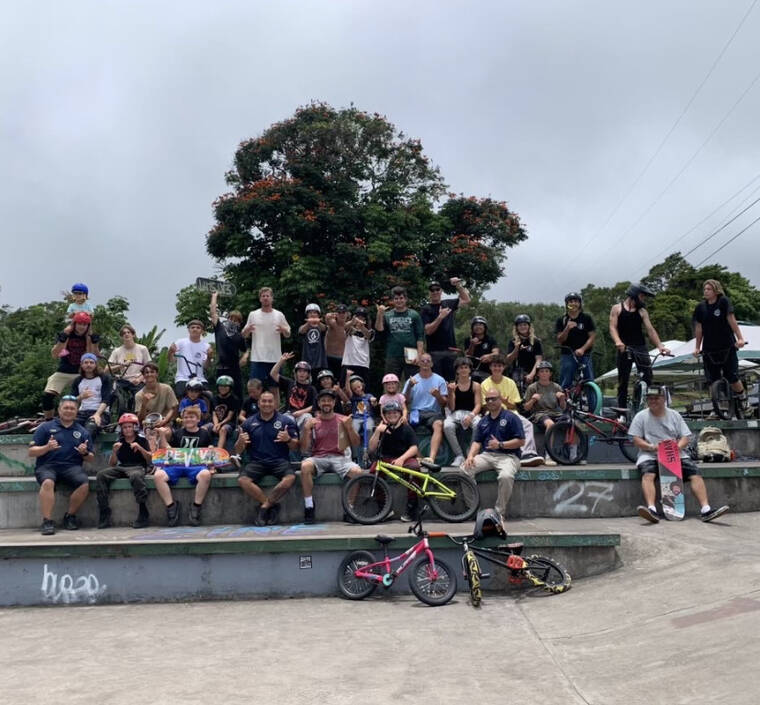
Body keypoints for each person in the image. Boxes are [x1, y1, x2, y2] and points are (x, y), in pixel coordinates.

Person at [631, 387, 728, 523]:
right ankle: (652, 509)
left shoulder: (674, 415)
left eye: (656, 398)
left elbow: (685, 437)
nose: (652, 401)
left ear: (664, 399)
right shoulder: (641, 416)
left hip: (674, 454)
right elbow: (636, 439)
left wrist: (676, 448)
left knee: (694, 473)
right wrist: (651, 447)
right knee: (648, 474)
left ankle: (706, 509)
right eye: (650, 398)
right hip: (650, 453)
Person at [28, 396, 93, 535]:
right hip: (47, 466)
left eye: (72, 408)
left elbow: (91, 458)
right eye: (66, 408)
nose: (69, 411)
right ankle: (47, 521)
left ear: (76, 411)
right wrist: (47, 447)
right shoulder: (45, 427)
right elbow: (31, 452)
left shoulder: (82, 431)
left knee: (84, 484)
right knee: (47, 482)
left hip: (71, 467)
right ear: (59, 410)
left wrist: (84, 452)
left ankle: (70, 516)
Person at [235, 390, 299, 526]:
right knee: (242, 480)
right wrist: (240, 441)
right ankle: (270, 505)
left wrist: (288, 439)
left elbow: (295, 447)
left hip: (279, 461)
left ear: (275, 403)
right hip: (256, 462)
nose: (267, 404)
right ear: (258, 403)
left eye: (270, 401)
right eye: (264, 401)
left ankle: (264, 508)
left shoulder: (286, 421)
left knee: (290, 478)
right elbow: (238, 450)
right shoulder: (248, 423)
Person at [462, 389, 525, 527]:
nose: (490, 401)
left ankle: (499, 513)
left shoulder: (511, 417)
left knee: (506, 476)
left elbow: (521, 441)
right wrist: (470, 456)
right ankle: (474, 510)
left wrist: (501, 444)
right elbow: (477, 442)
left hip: (509, 456)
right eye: (488, 399)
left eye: (494, 398)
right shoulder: (483, 421)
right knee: (464, 469)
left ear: (500, 400)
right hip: (487, 455)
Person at [299, 389, 363, 524]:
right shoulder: (313, 422)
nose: (326, 403)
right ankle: (309, 506)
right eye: (323, 401)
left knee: (357, 472)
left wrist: (350, 428)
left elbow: (356, 443)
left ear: (334, 403)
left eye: (329, 400)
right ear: (319, 403)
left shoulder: (343, 419)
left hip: (340, 458)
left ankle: (349, 509)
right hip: (319, 458)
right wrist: (306, 429)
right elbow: (304, 448)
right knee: (305, 466)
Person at [609, 282, 669, 414]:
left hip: (640, 346)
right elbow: (612, 327)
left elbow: (650, 330)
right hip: (624, 347)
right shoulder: (617, 308)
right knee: (623, 381)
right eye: (642, 296)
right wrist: (618, 342)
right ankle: (621, 414)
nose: (643, 299)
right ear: (634, 295)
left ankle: (650, 408)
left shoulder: (642, 311)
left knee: (648, 377)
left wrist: (660, 346)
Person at [153, 406, 215, 527]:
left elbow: (210, 451)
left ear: (198, 419)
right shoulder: (178, 433)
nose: (188, 419)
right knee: (158, 476)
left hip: (196, 465)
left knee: (206, 474)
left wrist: (212, 466)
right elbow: (168, 450)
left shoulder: (204, 434)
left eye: (192, 417)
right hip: (177, 465)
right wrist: (162, 436)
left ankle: (196, 507)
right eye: (186, 417)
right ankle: (171, 506)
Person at [693, 279, 748, 411]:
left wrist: (740, 338)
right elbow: (699, 328)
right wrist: (697, 347)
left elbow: (731, 320)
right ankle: (717, 407)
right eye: (705, 289)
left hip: (726, 346)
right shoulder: (700, 307)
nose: (706, 291)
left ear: (716, 291)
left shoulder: (723, 301)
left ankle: (743, 400)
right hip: (709, 348)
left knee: (732, 376)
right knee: (712, 380)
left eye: (709, 289)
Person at [481, 355, 544, 466]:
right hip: (492, 413)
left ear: (503, 367)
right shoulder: (485, 384)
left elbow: (515, 406)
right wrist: (497, 404)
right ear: (490, 367)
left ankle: (528, 454)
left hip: (510, 413)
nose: (497, 368)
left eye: (499, 366)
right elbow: (485, 406)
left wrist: (504, 402)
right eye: (494, 366)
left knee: (527, 424)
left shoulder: (510, 382)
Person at [95, 413, 152, 529]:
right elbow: (112, 464)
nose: (127, 429)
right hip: (122, 467)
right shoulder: (119, 441)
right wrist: (114, 451)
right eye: (124, 427)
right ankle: (104, 512)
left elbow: (150, 459)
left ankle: (143, 512)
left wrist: (140, 448)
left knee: (136, 476)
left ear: (135, 427)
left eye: (130, 426)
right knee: (101, 475)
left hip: (137, 466)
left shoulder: (141, 440)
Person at [367, 399, 421, 522]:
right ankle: (384, 509)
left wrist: (401, 459)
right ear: (385, 415)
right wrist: (377, 431)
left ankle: (412, 508)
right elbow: (371, 448)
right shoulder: (382, 428)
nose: (392, 415)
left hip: (405, 457)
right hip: (386, 458)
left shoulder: (406, 428)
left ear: (400, 414)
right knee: (374, 473)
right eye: (389, 413)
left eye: (395, 413)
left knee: (414, 469)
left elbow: (414, 448)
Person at [42, 311, 100, 420]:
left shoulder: (89, 336)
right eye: (80, 324)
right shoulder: (67, 334)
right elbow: (54, 354)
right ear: (75, 324)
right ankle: (48, 421)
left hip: (81, 373)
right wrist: (62, 340)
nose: (82, 327)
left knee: (86, 397)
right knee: (47, 396)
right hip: (64, 370)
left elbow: (92, 357)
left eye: (84, 324)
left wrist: (94, 343)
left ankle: (85, 419)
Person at [420, 277, 471, 381]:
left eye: (437, 289)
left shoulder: (448, 304)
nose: (435, 292)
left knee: (451, 382)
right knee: (436, 382)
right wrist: (440, 317)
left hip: (451, 351)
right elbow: (428, 331)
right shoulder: (425, 309)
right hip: (434, 352)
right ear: (429, 293)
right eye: (432, 290)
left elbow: (466, 300)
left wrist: (458, 285)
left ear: (441, 291)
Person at [403, 352, 448, 464]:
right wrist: (409, 387)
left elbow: (444, 404)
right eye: (422, 361)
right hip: (416, 413)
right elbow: (405, 401)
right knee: (404, 425)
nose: (425, 363)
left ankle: (431, 458)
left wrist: (437, 395)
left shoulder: (440, 380)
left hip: (434, 413)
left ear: (432, 364)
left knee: (438, 424)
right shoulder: (412, 380)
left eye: (428, 361)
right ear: (418, 363)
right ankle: (418, 457)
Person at [243, 286, 291, 390]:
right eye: (263, 296)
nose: (265, 298)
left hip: (275, 358)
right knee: (255, 388)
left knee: (275, 389)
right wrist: (247, 330)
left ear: (272, 298)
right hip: (257, 358)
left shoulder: (279, 315)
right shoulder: (253, 314)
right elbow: (244, 335)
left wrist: (284, 330)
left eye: (267, 296)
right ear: (260, 299)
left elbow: (288, 334)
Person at [375, 286, 424, 381]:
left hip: (411, 354)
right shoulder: (387, 315)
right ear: (393, 300)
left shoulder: (414, 315)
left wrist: (419, 354)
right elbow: (379, 329)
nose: (399, 301)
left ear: (405, 299)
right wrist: (379, 314)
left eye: (401, 298)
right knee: (391, 381)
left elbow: (420, 336)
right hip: (393, 354)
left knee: (413, 382)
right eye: (396, 298)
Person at [522, 361, 565, 466]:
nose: (544, 373)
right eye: (542, 371)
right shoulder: (533, 387)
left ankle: (574, 454)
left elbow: (563, 407)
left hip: (555, 413)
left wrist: (562, 399)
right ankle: (548, 454)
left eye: (547, 371)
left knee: (572, 422)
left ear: (550, 373)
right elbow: (526, 408)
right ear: (538, 374)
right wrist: (533, 400)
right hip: (539, 413)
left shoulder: (556, 387)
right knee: (550, 424)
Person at [444, 357, 482, 467]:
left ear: (470, 370)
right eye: (461, 368)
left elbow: (478, 404)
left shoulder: (476, 385)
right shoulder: (452, 385)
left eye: (466, 367)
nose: (464, 370)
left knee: (478, 424)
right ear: (457, 370)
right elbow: (451, 407)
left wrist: (471, 416)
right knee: (447, 425)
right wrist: (451, 393)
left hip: (471, 412)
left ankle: (471, 453)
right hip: (456, 413)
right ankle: (459, 455)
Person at [210, 291, 248, 399]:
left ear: (239, 323)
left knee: (238, 396)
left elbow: (246, 349)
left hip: (235, 369)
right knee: (221, 396)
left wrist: (245, 357)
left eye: (236, 320)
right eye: (231, 319)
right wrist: (214, 296)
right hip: (221, 368)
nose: (233, 322)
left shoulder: (240, 336)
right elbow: (213, 313)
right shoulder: (220, 329)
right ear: (228, 319)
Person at [555, 292, 596, 391]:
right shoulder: (561, 320)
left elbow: (592, 337)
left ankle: (593, 401)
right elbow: (560, 340)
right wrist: (567, 328)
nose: (573, 303)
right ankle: (564, 399)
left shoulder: (586, 318)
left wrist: (582, 349)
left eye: (576, 301)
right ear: (567, 304)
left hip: (585, 354)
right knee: (566, 379)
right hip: (568, 354)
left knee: (589, 380)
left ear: (580, 303)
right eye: (570, 301)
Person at [70, 352, 113, 438]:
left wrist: (97, 414)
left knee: (90, 427)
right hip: (82, 412)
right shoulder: (78, 380)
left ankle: (86, 446)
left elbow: (106, 400)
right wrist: (81, 397)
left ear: (95, 364)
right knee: (67, 425)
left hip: (101, 412)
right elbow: (71, 400)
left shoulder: (104, 378)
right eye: (86, 362)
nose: (88, 365)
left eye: (91, 362)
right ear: (81, 365)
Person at [270, 353, 317, 430]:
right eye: (299, 371)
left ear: (308, 374)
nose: (302, 373)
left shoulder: (312, 388)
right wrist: (281, 361)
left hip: (304, 414)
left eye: (305, 371)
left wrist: (300, 412)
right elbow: (273, 374)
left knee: (308, 418)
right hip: (289, 414)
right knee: (285, 420)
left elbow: (314, 405)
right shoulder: (289, 383)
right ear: (296, 373)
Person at [169, 320, 212, 398]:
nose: (195, 329)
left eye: (198, 327)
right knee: (181, 396)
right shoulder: (180, 342)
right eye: (192, 327)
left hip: (200, 379)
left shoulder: (206, 346)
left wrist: (209, 357)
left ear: (202, 331)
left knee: (209, 396)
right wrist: (170, 352)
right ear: (188, 330)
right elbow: (171, 360)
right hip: (182, 378)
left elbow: (206, 366)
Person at [134, 362, 178, 432]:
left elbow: (173, 408)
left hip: (165, 422)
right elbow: (140, 419)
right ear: (143, 376)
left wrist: (164, 421)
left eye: (152, 372)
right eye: (147, 372)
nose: (149, 374)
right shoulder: (139, 395)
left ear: (157, 374)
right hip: (147, 426)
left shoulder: (166, 388)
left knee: (164, 432)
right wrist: (144, 405)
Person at [506, 314, 543, 392]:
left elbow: (539, 360)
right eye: (520, 325)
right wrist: (516, 348)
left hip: (532, 371)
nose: (523, 327)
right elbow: (508, 360)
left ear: (529, 326)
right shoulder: (513, 341)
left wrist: (532, 374)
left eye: (525, 325)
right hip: (517, 372)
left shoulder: (536, 341)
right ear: (517, 327)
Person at [108, 324, 151, 390]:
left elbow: (149, 367)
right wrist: (122, 365)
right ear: (121, 337)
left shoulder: (143, 349)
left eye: (128, 332)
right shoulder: (116, 351)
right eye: (124, 333)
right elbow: (106, 370)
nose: (126, 334)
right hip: (123, 382)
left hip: (139, 381)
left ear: (133, 335)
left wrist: (139, 379)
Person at [205, 375, 241, 450]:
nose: (223, 388)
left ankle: (219, 451)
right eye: (221, 386)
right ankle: (202, 449)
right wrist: (216, 424)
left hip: (228, 423)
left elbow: (229, 417)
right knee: (204, 428)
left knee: (223, 429)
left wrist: (220, 424)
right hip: (215, 422)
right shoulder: (214, 399)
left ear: (230, 387)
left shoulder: (234, 399)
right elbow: (214, 414)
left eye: (225, 386)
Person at [341, 306, 373, 386]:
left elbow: (369, 336)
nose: (360, 319)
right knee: (345, 386)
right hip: (348, 363)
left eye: (363, 317)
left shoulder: (370, 331)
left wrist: (362, 327)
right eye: (358, 316)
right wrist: (352, 322)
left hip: (363, 364)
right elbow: (344, 327)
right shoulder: (349, 329)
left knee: (363, 388)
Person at [463, 316, 500, 382]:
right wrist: (472, 345)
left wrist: (489, 356)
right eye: (476, 325)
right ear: (472, 327)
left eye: (480, 325)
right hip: (472, 371)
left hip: (487, 371)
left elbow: (496, 353)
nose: (478, 327)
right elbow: (467, 355)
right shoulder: (468, 340)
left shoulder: (490, 339)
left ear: (485, 327)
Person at [298, 303, 328, 374]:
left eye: (315, 312)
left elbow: (324, 329)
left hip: (320, 360)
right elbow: (301, 331)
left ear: (318, 314)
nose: (312, 314)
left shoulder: (321, 326)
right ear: (307, 314)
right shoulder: (305, 326)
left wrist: (317, 322)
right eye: (310, 313)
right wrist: (309, 323)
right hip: (307, 359)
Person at [325, 304, 350, 378]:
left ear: (347, 314)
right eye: (339, 312)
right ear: (336, 314)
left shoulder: (350, 325)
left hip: (343, 359)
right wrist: (329, 315)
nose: (342, 315)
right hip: (329, 357)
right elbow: (327, 318)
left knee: (341, 381)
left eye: (343, 312)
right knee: (328, 380)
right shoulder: (333, 323)